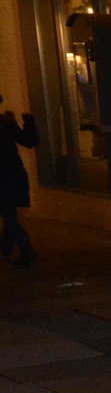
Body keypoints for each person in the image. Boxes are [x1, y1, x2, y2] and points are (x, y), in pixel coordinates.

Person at [0, 100, 39, 268]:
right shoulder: (6, 124)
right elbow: (30, 141)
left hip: (4, 177)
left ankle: (26, 249)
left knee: (8, 214)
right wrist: (29, 122)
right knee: (9, 212)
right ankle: (7, 244)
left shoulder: (6, 124)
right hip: (14, 175)